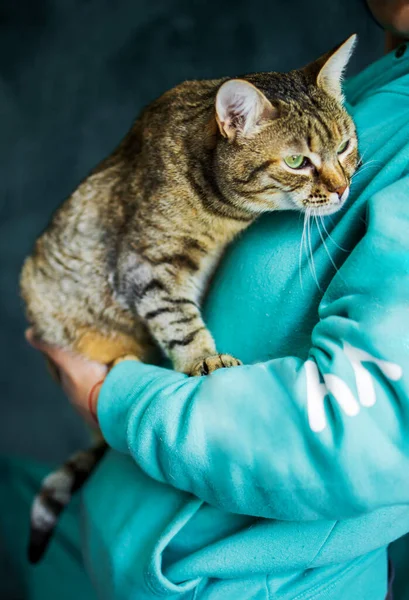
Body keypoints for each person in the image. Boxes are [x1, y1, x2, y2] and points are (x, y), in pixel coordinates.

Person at [3, 1, 409, 597]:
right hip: (135, 548)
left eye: (342, 156)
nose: (338, 185)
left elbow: (359, 441)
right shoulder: (373, 83)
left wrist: (109, 397)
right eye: (308, 163)